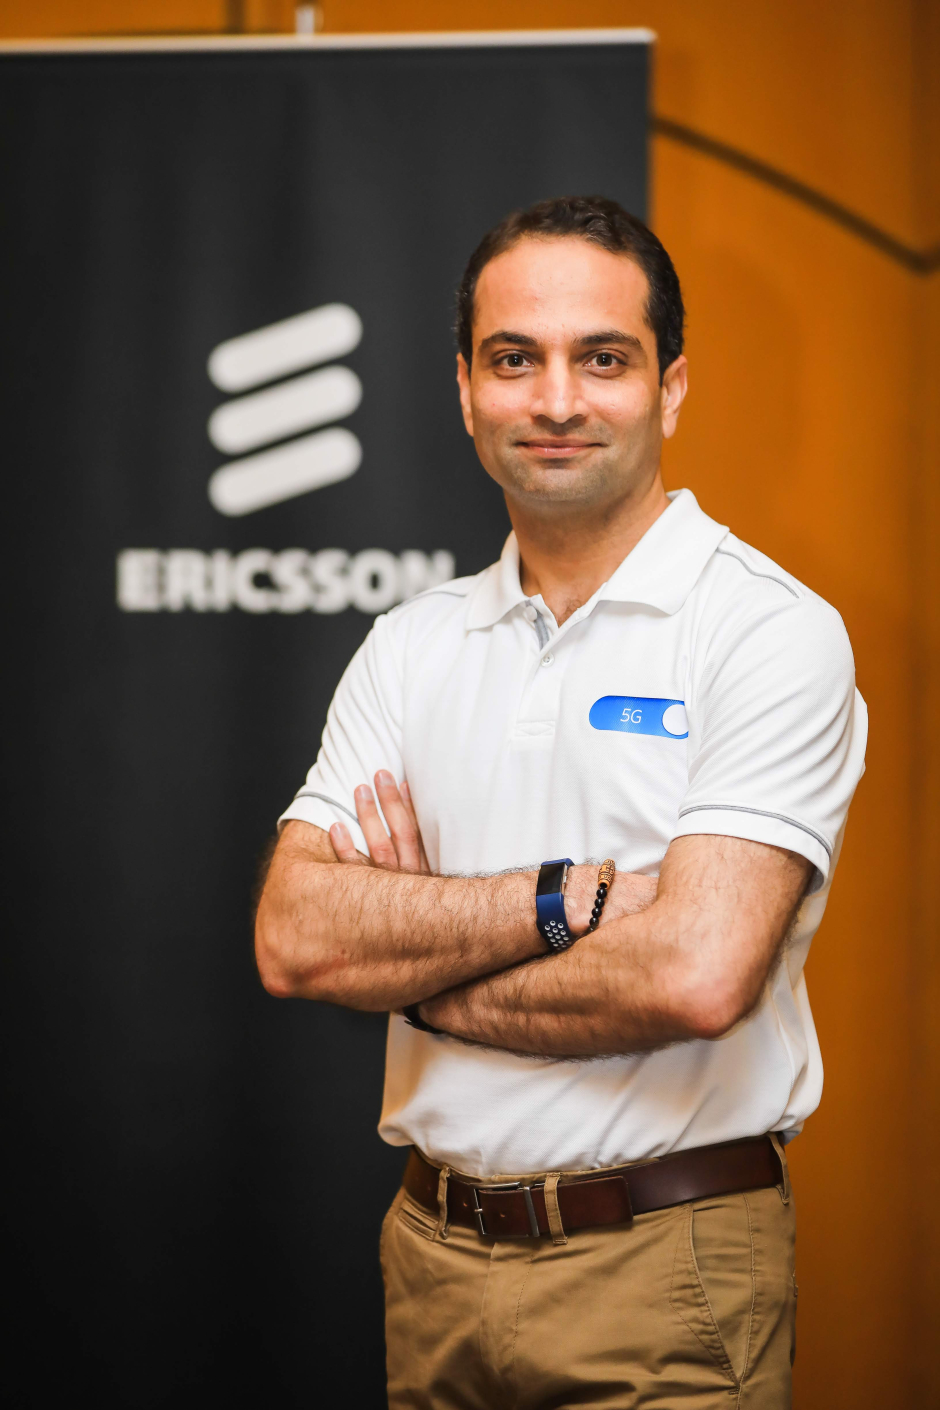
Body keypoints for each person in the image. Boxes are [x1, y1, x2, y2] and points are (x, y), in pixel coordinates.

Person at [255, 195, 867, 1409]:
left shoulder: (767, 632)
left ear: (670, 388)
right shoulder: (411, 645)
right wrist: (560, 899)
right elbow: (295, 935)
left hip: (667, 1264)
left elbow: (693, 975)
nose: (554, 400)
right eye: (512, 360)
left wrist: (413, 969)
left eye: (602, 359)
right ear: (464, 390)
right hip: (430, 1258)